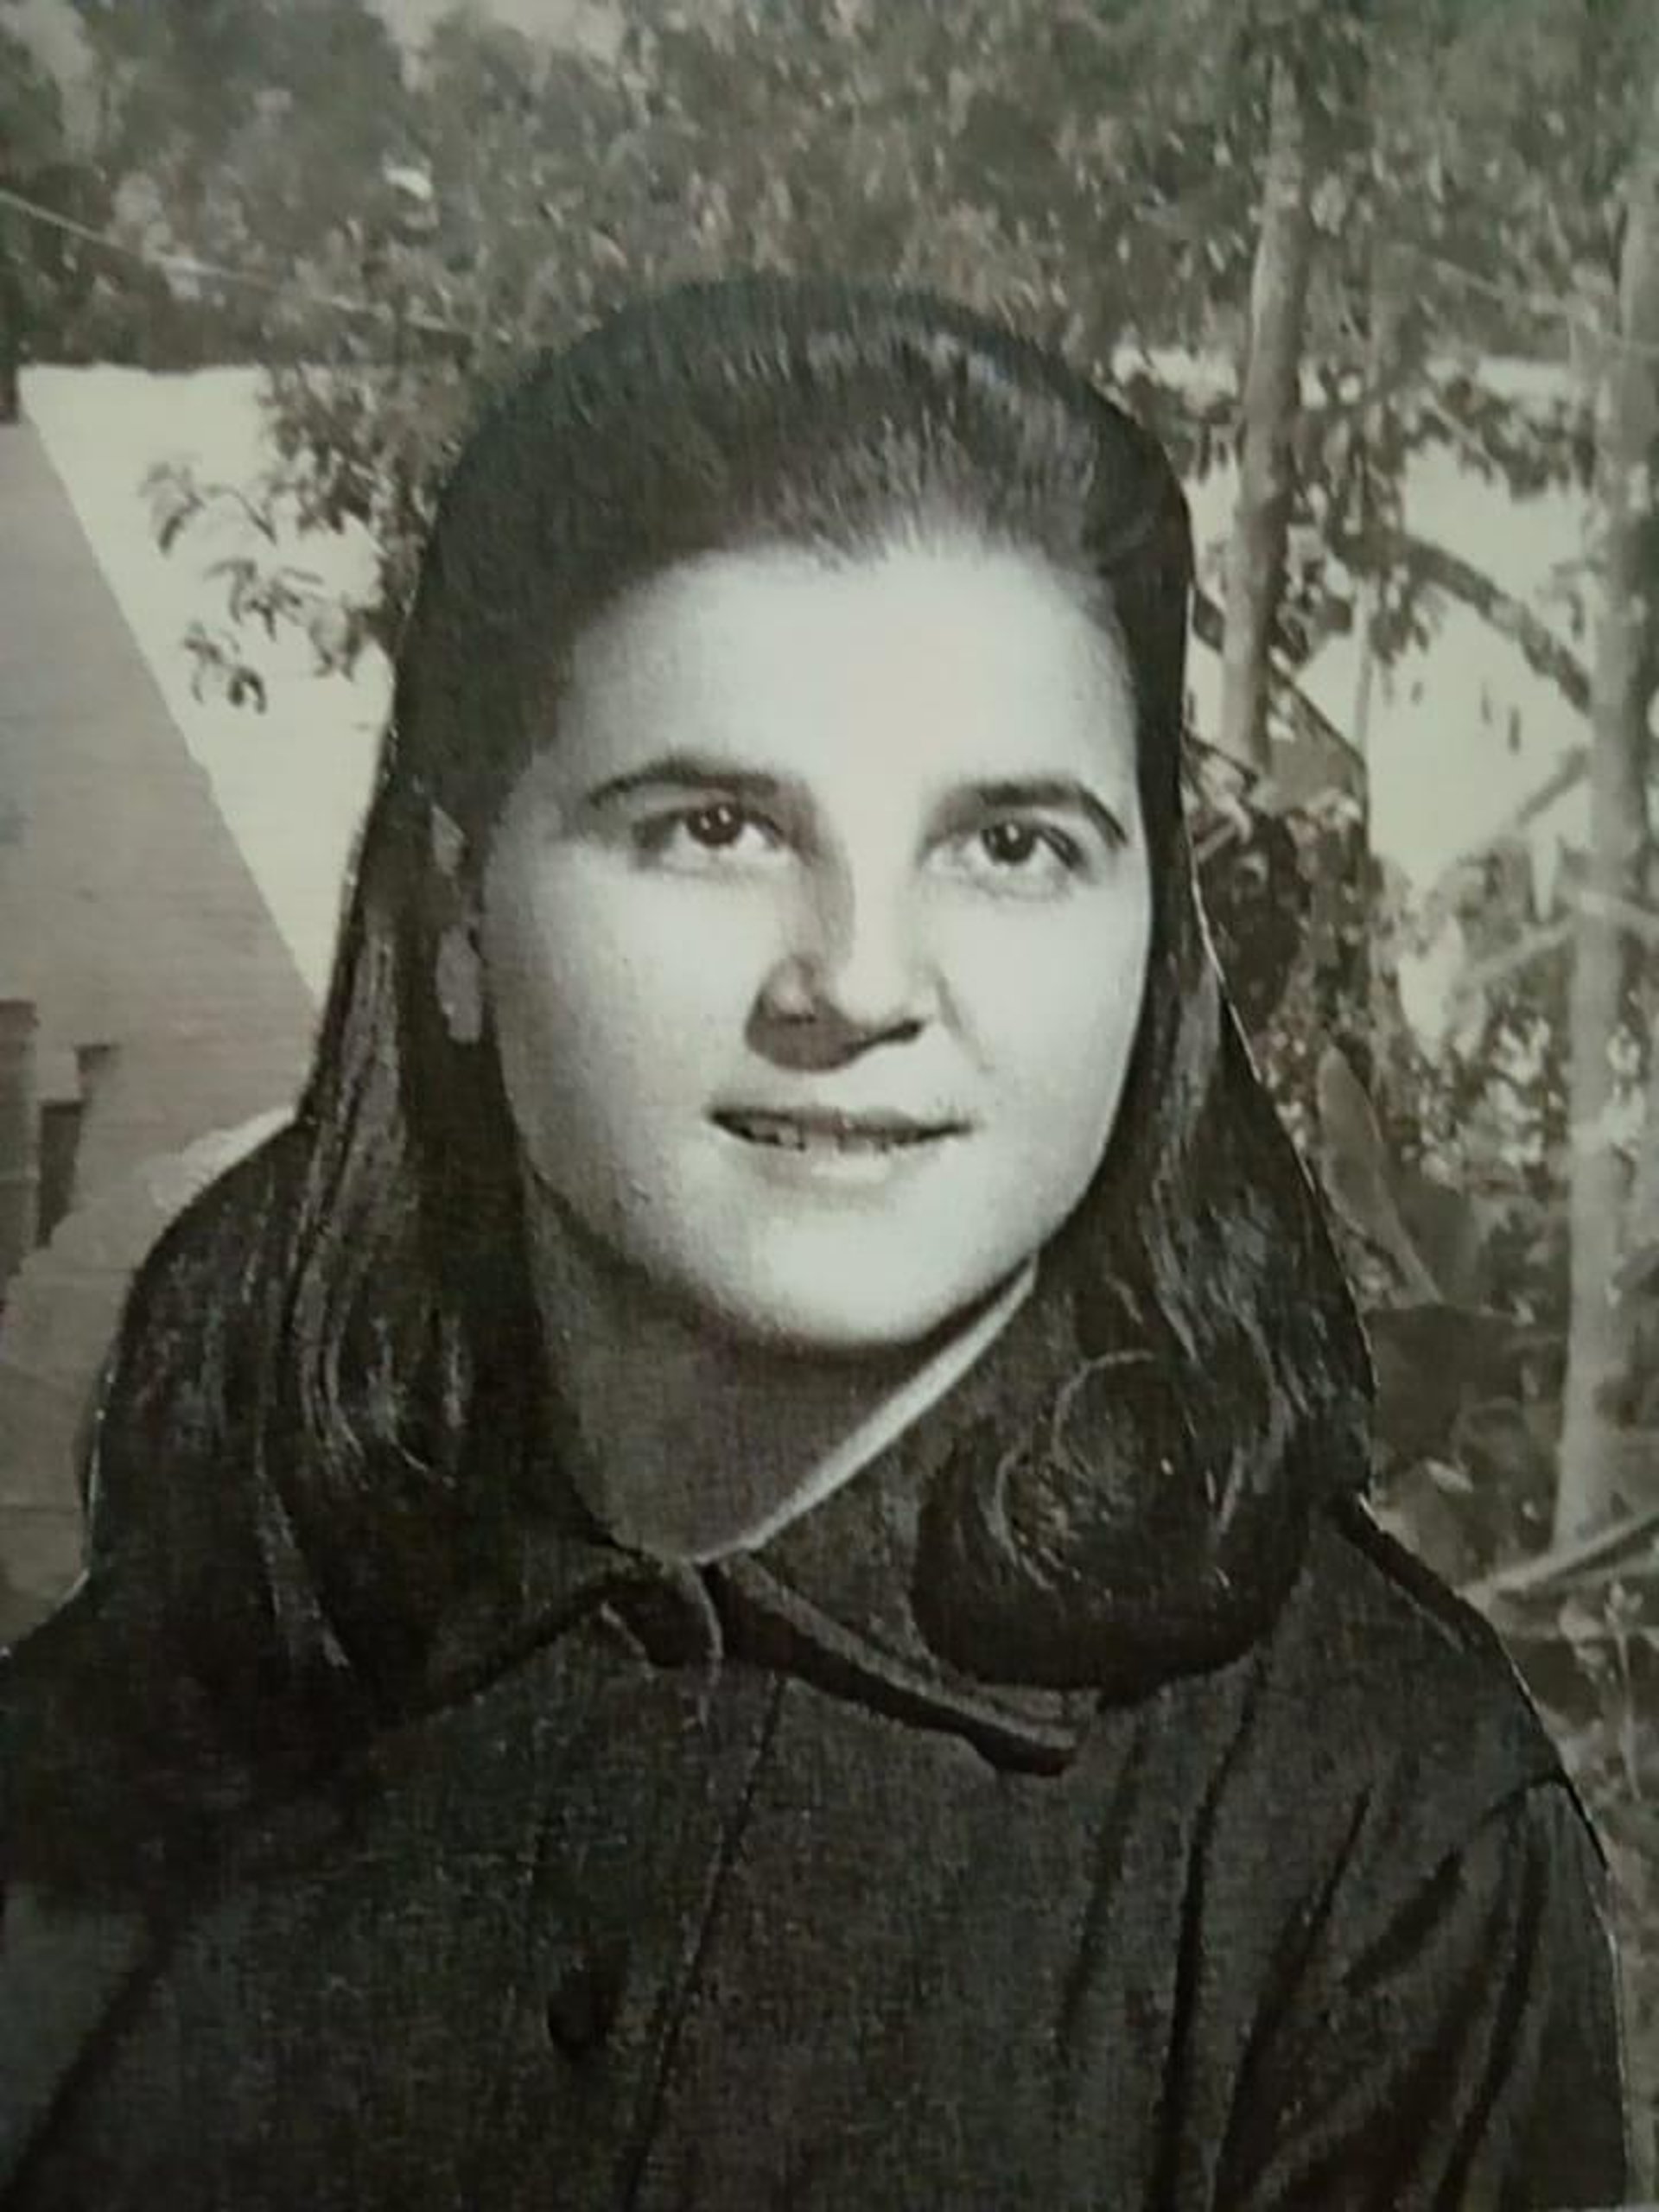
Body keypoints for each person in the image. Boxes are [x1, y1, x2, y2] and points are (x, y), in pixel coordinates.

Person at [0, 274, 1630, 2209]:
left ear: (1150, 934)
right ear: (455, 911)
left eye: (1010, 842)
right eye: (711, 825)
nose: (856, 982)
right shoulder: (141, 1715)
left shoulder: (1379, 1854)